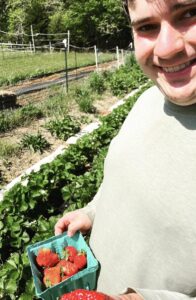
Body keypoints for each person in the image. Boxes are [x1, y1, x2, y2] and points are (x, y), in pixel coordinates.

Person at [55, 0, 196, 299]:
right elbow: (124, 177)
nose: (167, 48)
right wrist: (93, 211)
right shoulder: (148, 100)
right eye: (147, 27)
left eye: (190, 13)